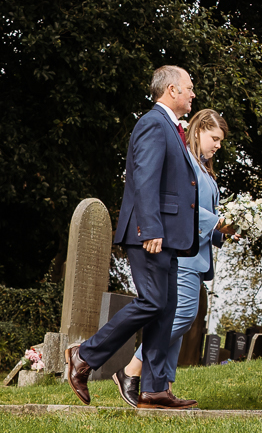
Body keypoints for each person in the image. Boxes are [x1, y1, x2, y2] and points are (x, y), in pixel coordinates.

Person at [66, 65, 203, 410]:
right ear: (172, 90)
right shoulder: (153, 124)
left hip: (168, 235)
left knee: (165, 309)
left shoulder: (172, 127)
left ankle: (155, 389)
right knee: (154, 302)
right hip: (150, 233)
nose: (193, 94)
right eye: (189, 88)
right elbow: (143, 178)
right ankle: (83, 354)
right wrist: (151, 228)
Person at [113, 109, 228, 405]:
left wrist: (221, 231)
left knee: (178, 318)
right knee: (182, 316)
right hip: (183, 251)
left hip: (197, 252)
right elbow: (184, 207)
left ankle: (162, 387)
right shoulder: (186, 161)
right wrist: (215, 221)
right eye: (214, 138)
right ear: (199, 130)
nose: (218, 145)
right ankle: (131, 369)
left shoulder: (204, 169)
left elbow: (205, 214)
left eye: (220, 141)